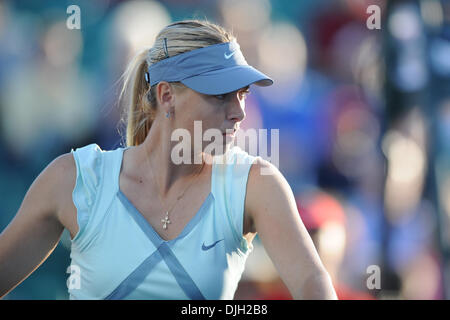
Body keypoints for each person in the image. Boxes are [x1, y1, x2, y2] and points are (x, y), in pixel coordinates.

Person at [0, 19, 337, 300]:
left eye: (243, 94)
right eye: (220, 95)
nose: (239, 112)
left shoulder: (256, 184)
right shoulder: (73, 178)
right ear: (166, 96)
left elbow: (313, 283)